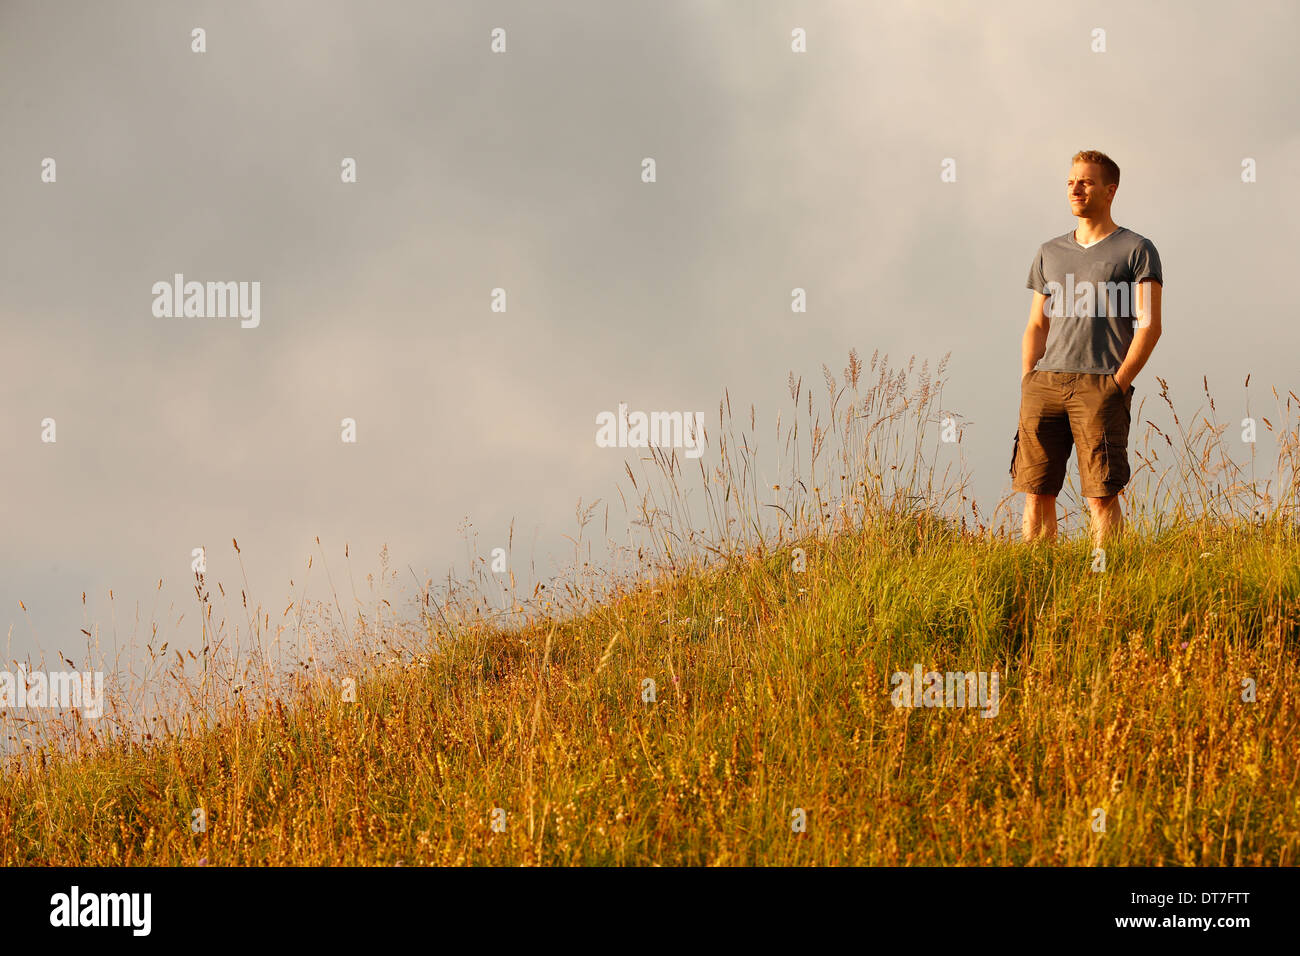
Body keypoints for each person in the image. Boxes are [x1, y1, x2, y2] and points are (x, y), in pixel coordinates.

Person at [1011, 150, 1163, 548]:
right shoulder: (1049, 252)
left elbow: (1150, 325)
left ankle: (1105, 580)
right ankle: (1035, 574)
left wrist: (1119, 382)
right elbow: (1037, 323)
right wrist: (1029, 378)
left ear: (1110, 190)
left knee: (1100, 494)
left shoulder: (1136, 249)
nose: (1075, 188)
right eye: (1071, 181)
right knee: (1037, 490)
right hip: (1046, 382)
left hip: (1101, 384)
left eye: (1087, 181)